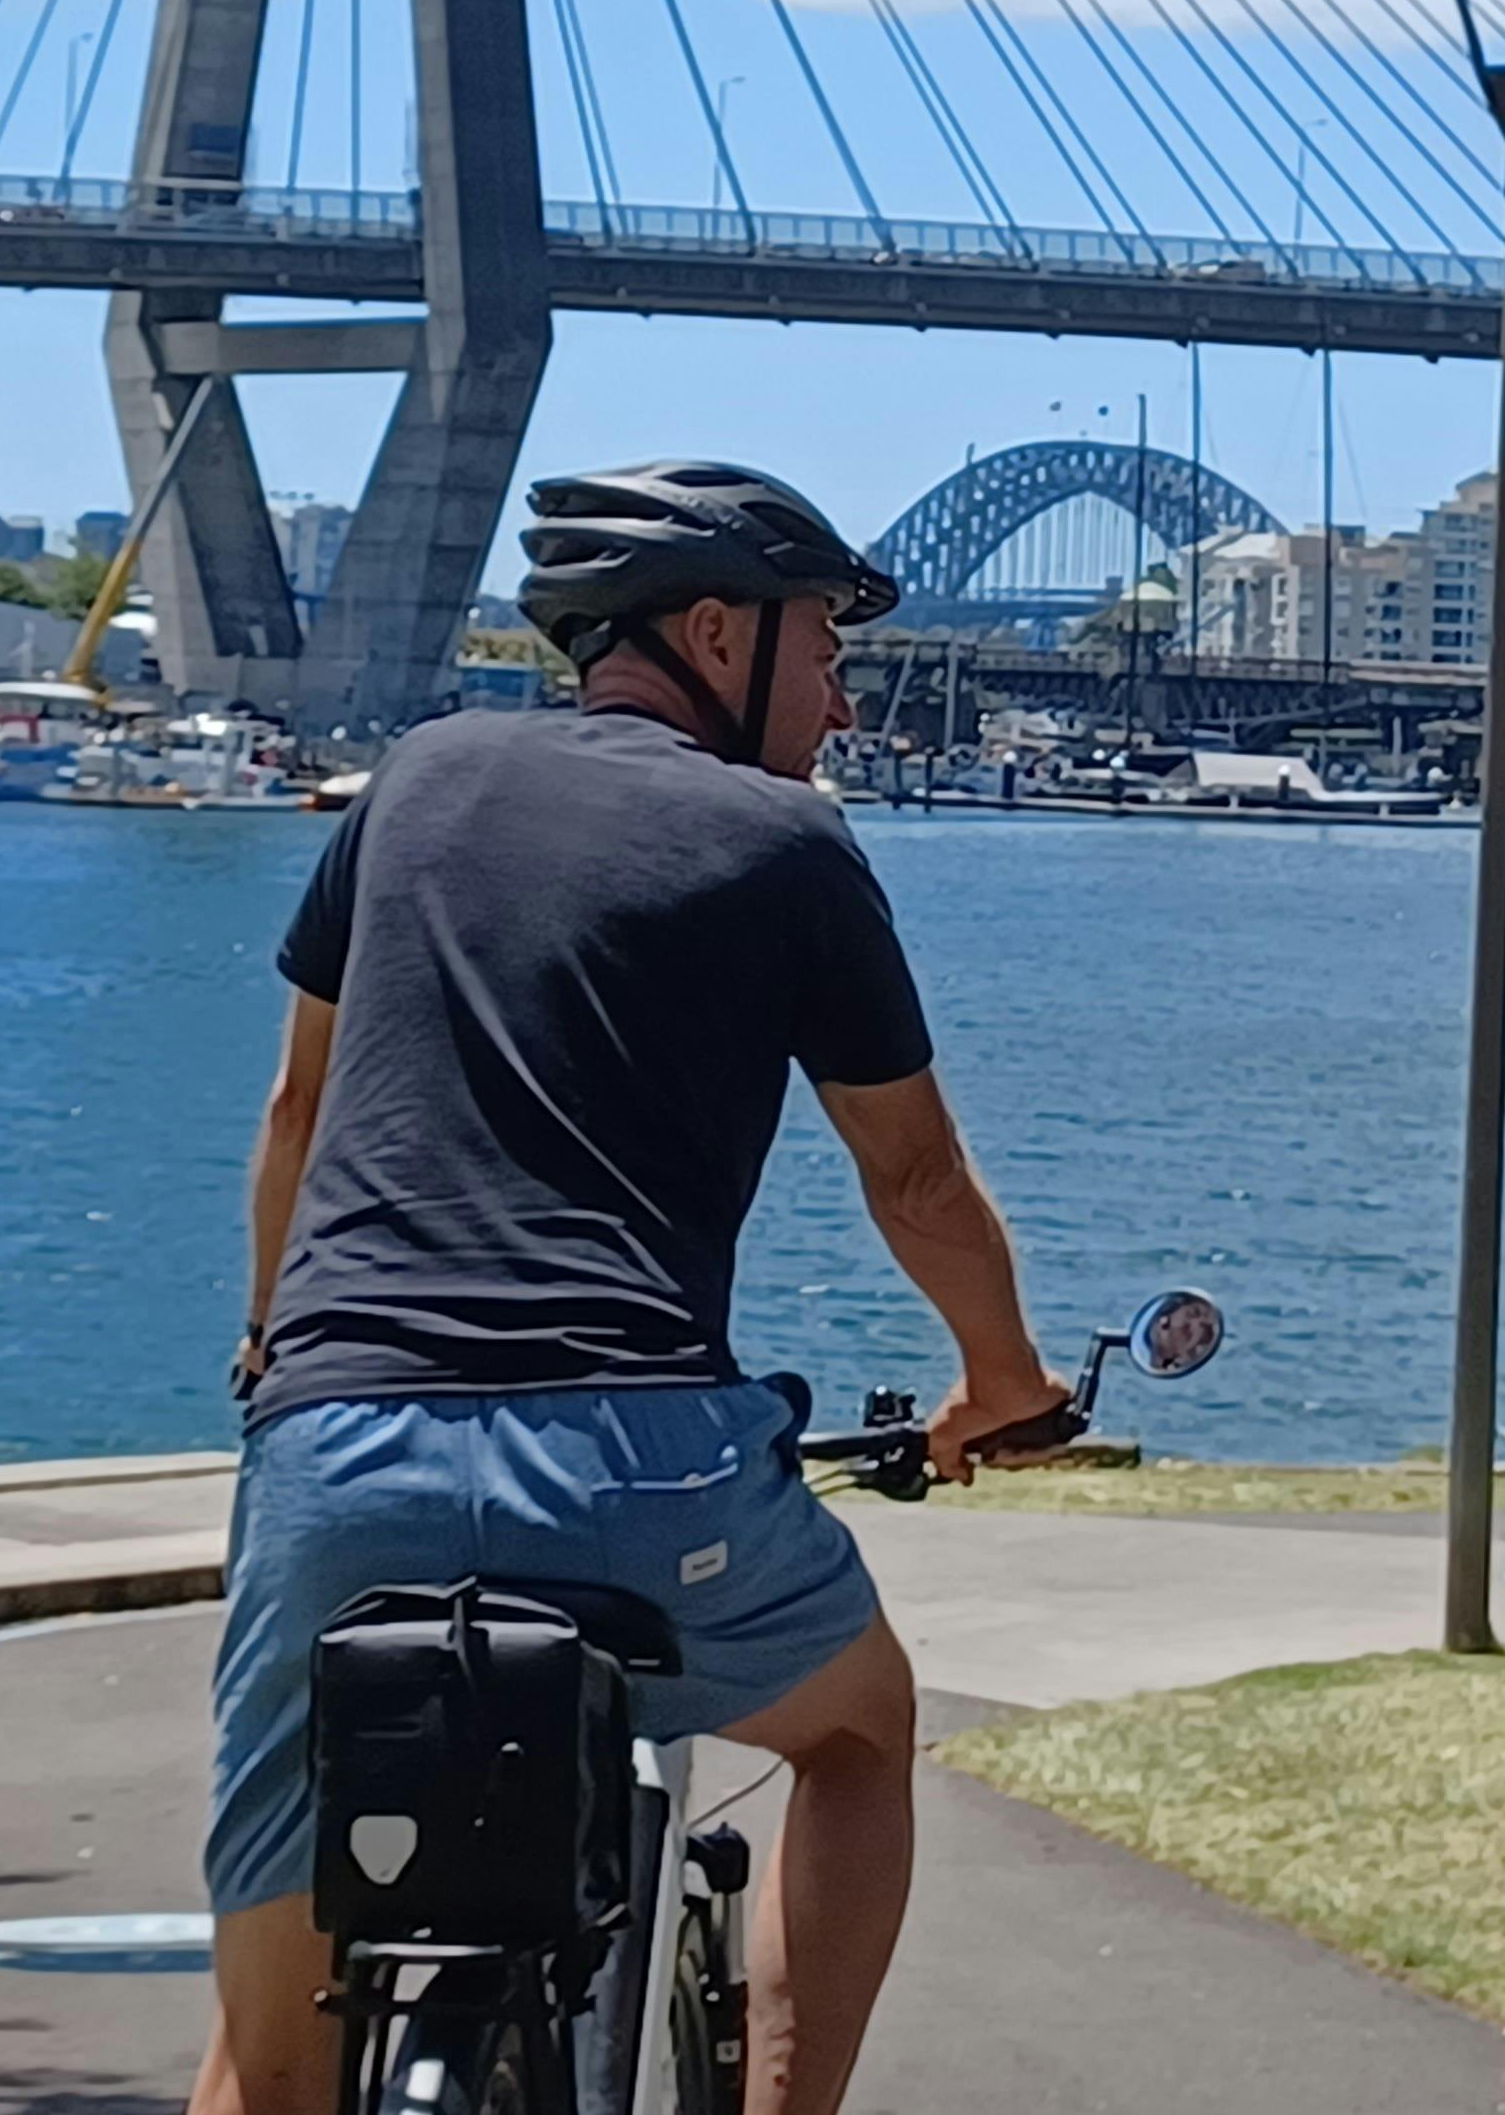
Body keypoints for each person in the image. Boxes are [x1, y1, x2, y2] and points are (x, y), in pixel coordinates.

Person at [194, 462, 1073, 2115]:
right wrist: (1002, 1383)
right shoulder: (788, 842)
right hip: (637, 1461)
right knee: (862, 1730)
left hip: (339, 1455)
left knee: (261, 2065)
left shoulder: (415, 781)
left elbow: (298, 1115)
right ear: (716, 632)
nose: (841, 691)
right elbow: (917, 1180)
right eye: (824, 644)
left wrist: (271, 1356)